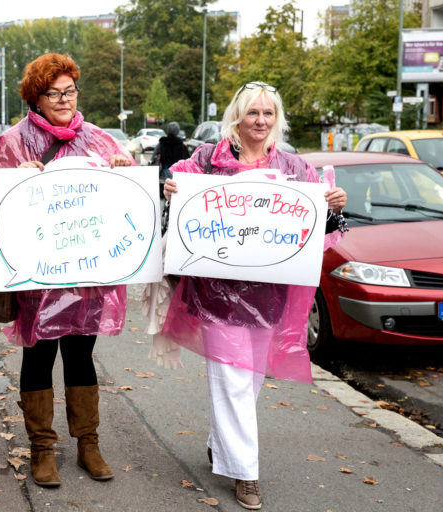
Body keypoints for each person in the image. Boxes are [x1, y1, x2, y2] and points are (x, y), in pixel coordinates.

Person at [161, 81, 347, 510]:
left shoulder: (296, 169)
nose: (260, 121)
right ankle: (246, 473)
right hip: (216, 292)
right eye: (252, 113)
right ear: (237, 117)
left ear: (275, 119)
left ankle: (220, 443)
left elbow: (325, 229)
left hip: (269, 295)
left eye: (267, 113)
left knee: (250, 381)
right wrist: (172, 188)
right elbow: (178, 196)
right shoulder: (208, 160)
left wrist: (334, 206)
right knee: (231, 379)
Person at [0, 53, 134, 487]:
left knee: (82, 355)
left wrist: (126, 171)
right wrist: (14, 183)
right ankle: (41, 449)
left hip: (87, 273)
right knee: (39, 353)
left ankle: (89, 444)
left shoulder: (101, 140)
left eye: (70, 91)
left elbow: (128, 201)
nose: (64, 99)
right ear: (36, 97)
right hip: (38, 273)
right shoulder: (13, 142)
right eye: (54, 93)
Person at [150, 121, 190, 198]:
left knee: (162, 197)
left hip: (163, 176)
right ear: (178, 131)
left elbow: (153, 158)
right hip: (177, 176)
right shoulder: (182, 145)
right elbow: (187, 161)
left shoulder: (161, 143)